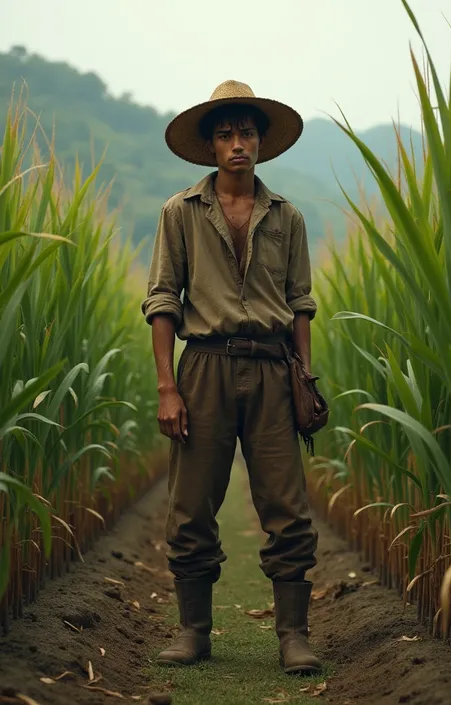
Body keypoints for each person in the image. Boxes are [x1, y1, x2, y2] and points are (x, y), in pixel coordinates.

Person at [141, 80, 321, 675]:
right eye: (226, 134)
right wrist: (168, 388)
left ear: (261, 143)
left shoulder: (287, 217)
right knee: (190, 507)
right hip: (205, 369)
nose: (237, 143)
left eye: (246, 132)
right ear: (211, 146)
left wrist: (306, 380)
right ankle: (194, 631)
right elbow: (164, 300)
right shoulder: (180, 213)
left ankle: (293, 635)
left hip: (274, 371)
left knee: (287, 508)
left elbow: (300, 306)